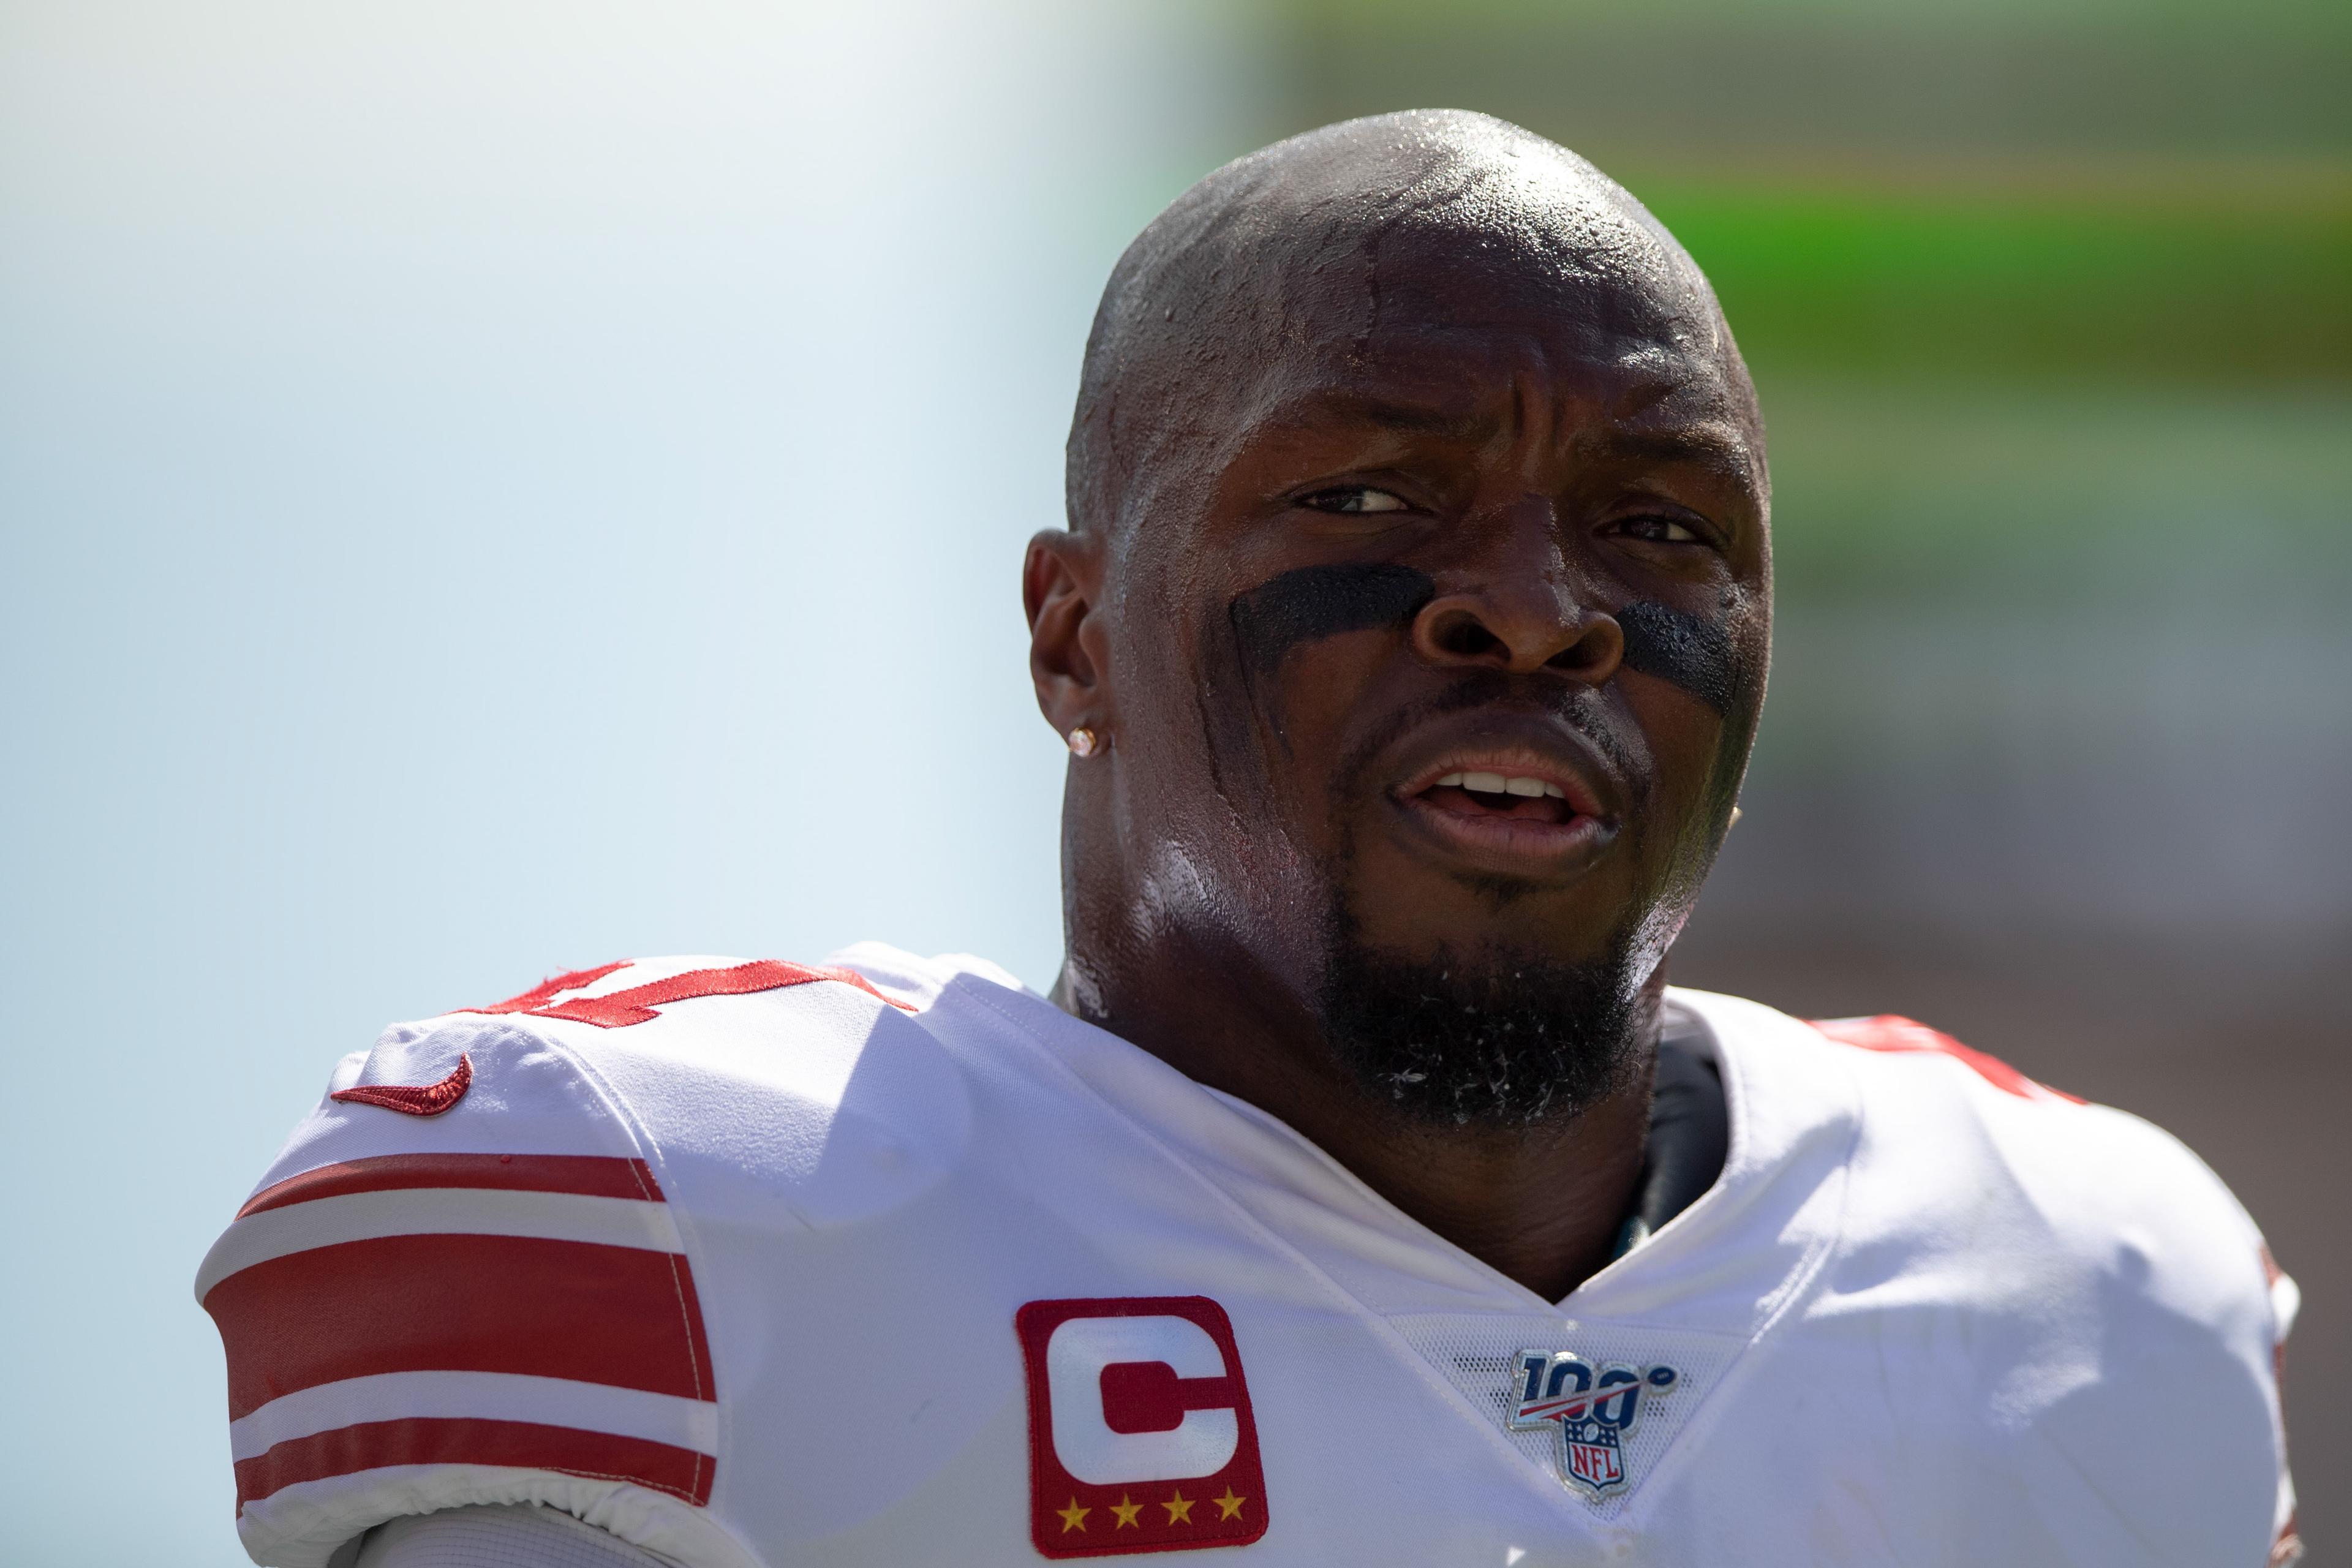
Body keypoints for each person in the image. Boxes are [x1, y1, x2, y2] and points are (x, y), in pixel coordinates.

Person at [196, 110, 2300, 1567]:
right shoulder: (670, 1223)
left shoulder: (2092, 1286)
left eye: (1660, 528)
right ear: (1075, 631)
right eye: (1373, 497)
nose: (1542, 603)